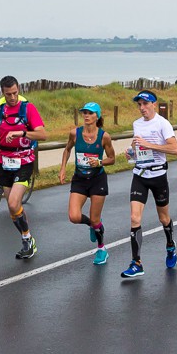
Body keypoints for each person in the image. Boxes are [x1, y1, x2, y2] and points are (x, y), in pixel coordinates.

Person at [0, 76, 49, 260]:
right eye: (8, 94)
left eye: (15, 93)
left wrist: (23, 132)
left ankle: (27, 240)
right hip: (4, 162)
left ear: (19, 90)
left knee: (12, 203)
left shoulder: (28, 108)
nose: (12, 97)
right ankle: (27, 238)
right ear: (2, 93)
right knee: (13, 209)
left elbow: (43, 134)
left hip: (24, 161)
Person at [120, 90, 177, 279]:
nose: (142, 108)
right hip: (140, 175)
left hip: (158, 176)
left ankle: (170, 245)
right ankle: (136, 263)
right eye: (139, 104)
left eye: (145, 104)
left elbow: (175, 149)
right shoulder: (136, 124)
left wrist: (149, 145)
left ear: (154, 104)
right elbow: (137, 146)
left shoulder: (163, 123)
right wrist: (132, 153)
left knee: (164, 218)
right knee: (134, 218)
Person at [58, 102, 116, 265]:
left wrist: (99, 162)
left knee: (96, 218)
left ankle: (101, 248)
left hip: (97, 180)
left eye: (90, 113)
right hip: (80, 180)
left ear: (97, 116)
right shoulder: (74, 133)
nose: (86, 115)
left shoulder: (104, 136)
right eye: (84, 112)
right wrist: (63, 168)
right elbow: (67, 149)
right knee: (74, 216)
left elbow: (112, 159)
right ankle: (92, 224)